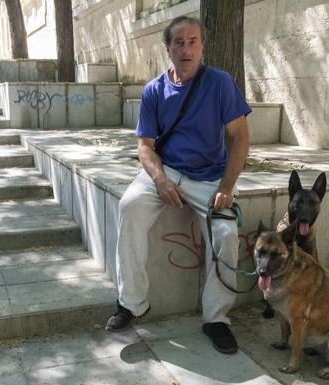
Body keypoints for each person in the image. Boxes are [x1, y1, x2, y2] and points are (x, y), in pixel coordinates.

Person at [104, 15, 251, 355]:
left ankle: (216, 319)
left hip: (210, 175)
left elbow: (240, 138)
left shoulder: (220, 83)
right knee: (129, 207)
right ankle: (132, 302)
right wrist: (160, 179)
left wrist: (227, 187)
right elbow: (145, 146)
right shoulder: (155, 90)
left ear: (202, 45)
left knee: (227, 235)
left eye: (193, 41)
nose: (186, 49)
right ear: (168, 48)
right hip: (165, 169)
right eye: (179, 43)